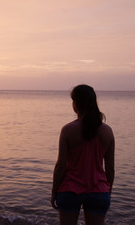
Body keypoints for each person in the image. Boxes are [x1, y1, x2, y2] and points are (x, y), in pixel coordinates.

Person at [51, 85, 115, 225]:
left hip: (70, 190)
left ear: (76, 103)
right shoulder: (107, 131)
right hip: (99, 191)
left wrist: (54, 191)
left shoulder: (68, 130)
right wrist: (107, 191)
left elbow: (61, 166)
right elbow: (110, 169)